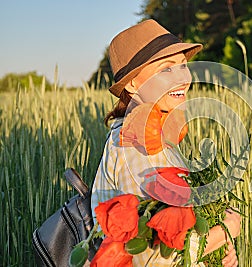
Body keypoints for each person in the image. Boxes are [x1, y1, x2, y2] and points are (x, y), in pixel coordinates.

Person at [91, 19, 241, 267]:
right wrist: (224, 231)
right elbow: (149, 257)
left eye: (183, 65)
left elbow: (176, 226)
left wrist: (219, 252)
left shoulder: (155, 132)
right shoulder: (136, 144)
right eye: (166, 69)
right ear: (132, 83)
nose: (183, 78)